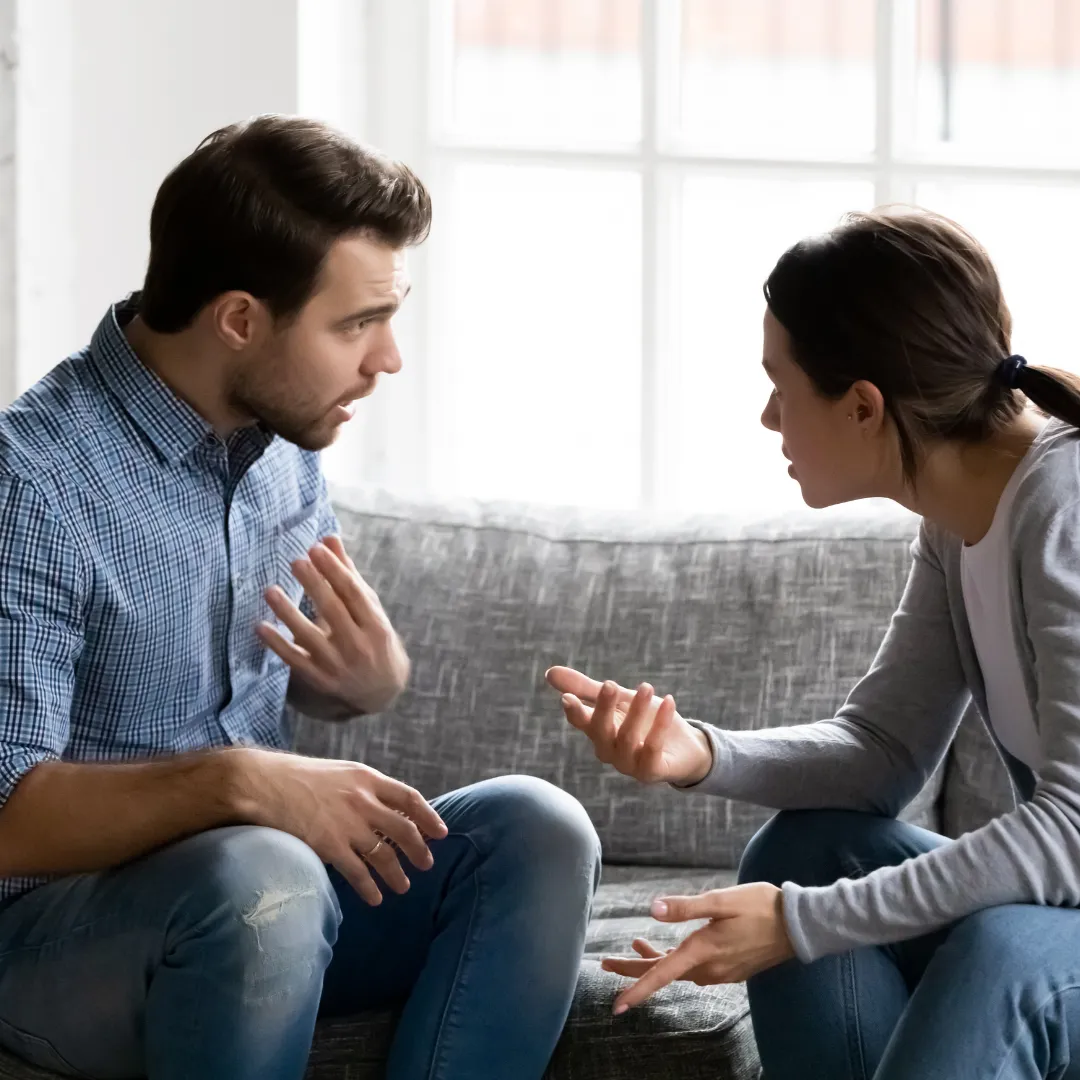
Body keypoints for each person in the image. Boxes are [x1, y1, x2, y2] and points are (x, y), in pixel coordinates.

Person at [0, 114, 600, 1080]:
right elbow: (8, 816)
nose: (388, 358)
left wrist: (361, 683)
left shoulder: (283, 437)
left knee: (535, 830)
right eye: (357, 323)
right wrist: (239, 780)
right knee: (262, 871)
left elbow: (266, 678)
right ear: (239, 318)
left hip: (260, 910)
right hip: (53, 936)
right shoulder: (32, 485)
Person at [546, 206, 1080, 1079]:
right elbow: (882, 752)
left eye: (779, 383)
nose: (767, 416)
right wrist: (699, 754)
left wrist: (797, 923)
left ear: (865, 406)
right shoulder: (958, 516)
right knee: (804, 849)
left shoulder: (1064, 509)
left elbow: (1073, 833)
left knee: (1004, 953)